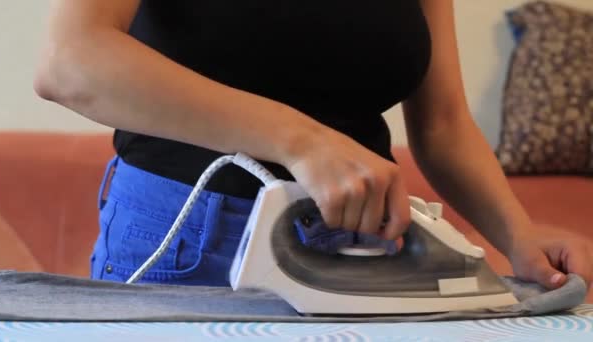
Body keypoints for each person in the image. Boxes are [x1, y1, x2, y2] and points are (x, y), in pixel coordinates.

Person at [34, 0, 591, 292]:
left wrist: (518, 234)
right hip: (185, 243)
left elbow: (442, 122)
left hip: (364, 252)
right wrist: (301, 142)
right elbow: (70, 60)